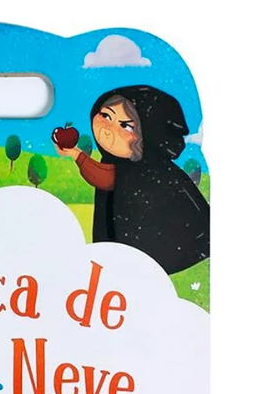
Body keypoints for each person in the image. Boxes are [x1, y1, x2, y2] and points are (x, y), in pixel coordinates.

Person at [54, 85, 210, 274]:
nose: (108, 129)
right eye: (106, 116)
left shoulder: (146, 172)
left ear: (147, 135)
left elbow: (103, 177)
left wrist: (76, 154)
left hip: (165, 246)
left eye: (126, 126)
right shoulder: (118, 163)